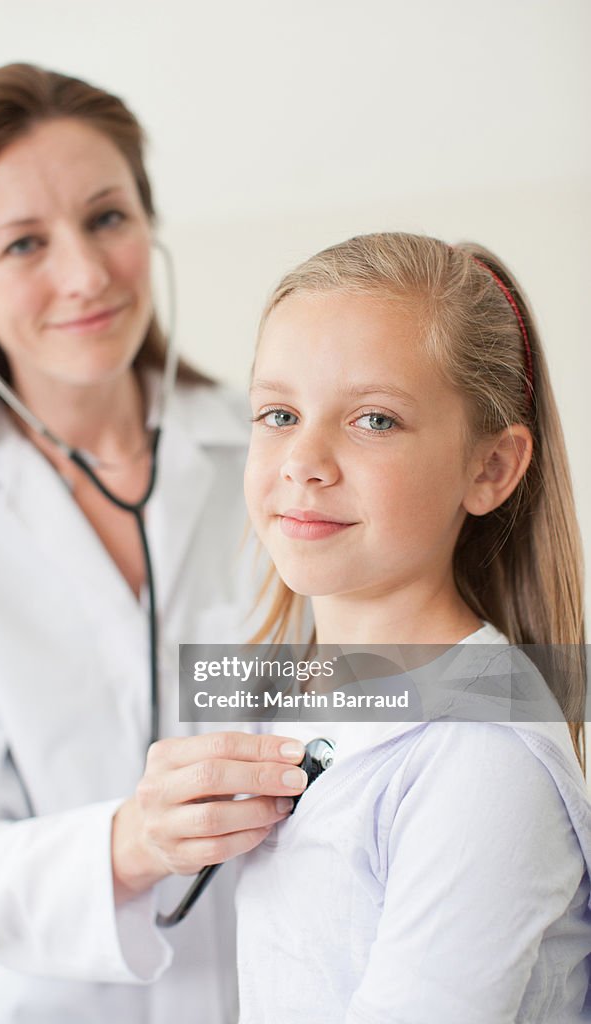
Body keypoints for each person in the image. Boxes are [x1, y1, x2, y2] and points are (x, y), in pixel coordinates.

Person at [0, 64, 309, 1023]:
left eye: (107, 218)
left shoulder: (286, 447)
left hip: (287, 983)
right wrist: (132, 842)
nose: (85, 275)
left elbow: (442, 676)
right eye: (23, 244)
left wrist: (502, 682)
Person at [238, 232, 591, 1022]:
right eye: (279, 412)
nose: (304, 459)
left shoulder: (482, 758)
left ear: (489, 468)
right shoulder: (301, 699)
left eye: (373, 420)